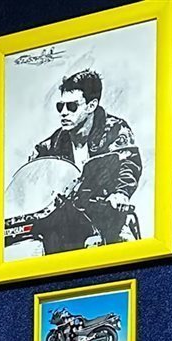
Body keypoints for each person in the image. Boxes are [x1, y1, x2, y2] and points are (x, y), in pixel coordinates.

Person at [30, 69, 142, 245]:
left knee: (127, 245)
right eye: (60, 106)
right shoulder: (53, 144)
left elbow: (129, 163)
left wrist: (121, 194)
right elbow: (31, 174)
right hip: (67, 222)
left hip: (107, 216)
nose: (64, 112)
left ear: (91, 106)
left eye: (72, 106)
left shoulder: (115, 130)